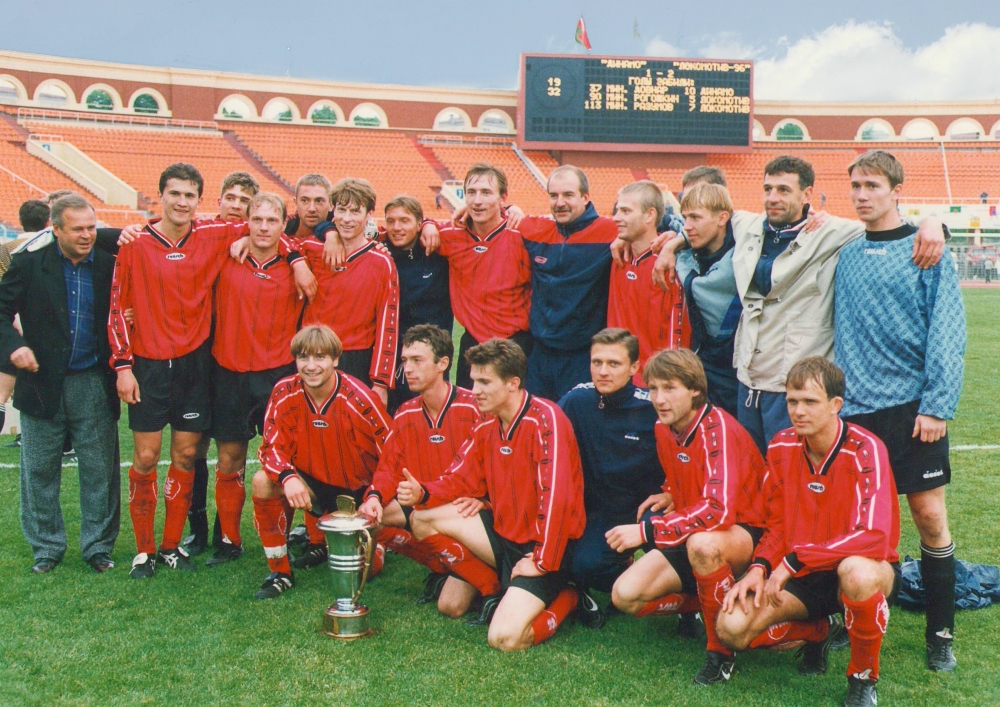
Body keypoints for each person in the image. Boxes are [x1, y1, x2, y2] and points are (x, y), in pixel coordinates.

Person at [652, 155, 946, 454]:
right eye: (768, 189)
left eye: (783, 190)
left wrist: (933, 224)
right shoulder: (747, 224)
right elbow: (701, 221)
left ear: (807, 195)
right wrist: (674, 244)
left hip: (795, 382)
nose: (773, 198)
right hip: (748, 377)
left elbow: (889, 226)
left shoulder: (831, 231)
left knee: (791, 468)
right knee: (751, 469)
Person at [109, 163, 308, 579]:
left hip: (226, 370)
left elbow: (286, 238)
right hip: (184, 367)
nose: (182, 202)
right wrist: (123, 364)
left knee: (205, 455)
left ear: (198, 200)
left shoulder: (222, 237)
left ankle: (186, 545)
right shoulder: (144, 242)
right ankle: (159, 549)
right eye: (175, 194)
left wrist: (297, 257)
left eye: (189, 195)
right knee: (161, 456)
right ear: (161, 196)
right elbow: (117, 303)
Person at [834, 150, 965, 672]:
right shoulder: (845, 252)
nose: (862, 195)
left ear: (895, 191)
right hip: (854, 412)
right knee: (855, 522)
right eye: (855, 186)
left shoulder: (926, 249)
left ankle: (940, 632)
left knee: (929, 517)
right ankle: (847, 617)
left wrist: (937, 406)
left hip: (913, 410)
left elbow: (947, 332)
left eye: (872, 185)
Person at [717, 357, 901, 707]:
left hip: (860, 570)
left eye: (810, 401)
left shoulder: (866, 448)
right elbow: (776, 523)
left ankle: (862, 678)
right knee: (731, 628)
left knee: (857, 572)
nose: (798, 411)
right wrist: (759, 567)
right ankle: (818, 631)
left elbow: (875, 536)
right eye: (792, 401)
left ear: (836, 404)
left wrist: (795, 559)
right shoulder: (781, 445)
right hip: (801, 575)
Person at [398, 339, 585, 651]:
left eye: (485, 382)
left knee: (505, 639)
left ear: (512, 383)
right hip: (503, 535)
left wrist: (543, 561)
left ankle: (570, 596)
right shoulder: (487, 421)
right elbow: (459, 476)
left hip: (544, 548)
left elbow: (558, 497)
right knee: (423, 520)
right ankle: (494, 587)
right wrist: (424, 491)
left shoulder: (545, 419)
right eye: (473, 381)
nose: (475, 390)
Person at [607, 349, 766, 685]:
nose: (659, 399)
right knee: (625, 596)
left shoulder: (717, 428)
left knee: (701, 545)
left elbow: (718, 509)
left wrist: (647, 532)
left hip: (747, 531)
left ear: (695, 389)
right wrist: (669, 491)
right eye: (653, 389)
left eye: (670, 388)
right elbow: (685, 471)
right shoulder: (664, 428)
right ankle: (704, 602)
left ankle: (720, 652)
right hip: (696, 529)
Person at [0, 195, 120, 573]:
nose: (87, 235)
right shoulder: (28, 264)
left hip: (93, 381)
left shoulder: (110, 265)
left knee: (100, 470)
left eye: (91, 228)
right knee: (39, 471)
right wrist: (15, 346)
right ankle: (47, 548)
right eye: (78, 229)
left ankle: (98, 547)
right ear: (55, 230)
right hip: (41, 382)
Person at [360, 324, 500, 615]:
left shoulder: (475, 407)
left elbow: (499, 467)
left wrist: (484, 499)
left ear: (443, 363)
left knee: (451, 606)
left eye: (417, 360)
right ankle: (443, 566)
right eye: (404, 360)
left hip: (466, 510)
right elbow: (388, 468)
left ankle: (490, 584)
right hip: (426, 504)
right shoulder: (405, 413)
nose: (408, 369)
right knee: (375, 518)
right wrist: (373, 497)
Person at [200, 192, 304, 567]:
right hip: (229, 372)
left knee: (282, 460)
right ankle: (229, 540)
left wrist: (296, 258)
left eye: (271, 220)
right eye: (256, 220)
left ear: (283, 224)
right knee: (230, 458)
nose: (263, 227)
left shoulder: (299, 261)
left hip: (277, 376)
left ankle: (282, 537)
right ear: (246, 222)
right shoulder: (226, 254)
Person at [251, 325, 392, 599]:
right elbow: (270, 447)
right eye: (303, 357)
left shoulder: (360, 398)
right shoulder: (284, 391)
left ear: (335, 359)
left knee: (362, 572)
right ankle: (280, 572)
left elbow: (392, 454)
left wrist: (376, 495)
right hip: (314, 487)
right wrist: (288, 478)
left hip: (359, 495)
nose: (311, 366)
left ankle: (379, 542)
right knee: (262, 482)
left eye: (320, 357)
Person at [557, 328, 665, 628]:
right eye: (597, 362)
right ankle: (626, 578)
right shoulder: (576, 401)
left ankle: (687, 603)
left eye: (614, 364)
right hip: (602, 512)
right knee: (584, 565)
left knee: (674, 549)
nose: (603, 371)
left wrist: (672, 492)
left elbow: (687, 453)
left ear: (634, 367)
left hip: (649, 507)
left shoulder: (652, 407)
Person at [185, 170, 261, 557]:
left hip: (234, 357)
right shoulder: (199, 232)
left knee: (232, 448)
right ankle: (196, 529)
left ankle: (225, 533)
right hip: (196, 355)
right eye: (230, 197)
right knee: (193, 445)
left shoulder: (258, 240)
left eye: (245, 201)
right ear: (218, 201)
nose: (236, 205)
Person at [517, 165, 620, 400]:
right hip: (540, 354)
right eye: (553, 195)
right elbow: (491, 215)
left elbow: (657, 226)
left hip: (582, 355)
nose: (560, 202)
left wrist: (671, 243)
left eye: (568, 195)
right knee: (536, 418)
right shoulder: (536, 230)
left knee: (574, 420)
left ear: (585, 197)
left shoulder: (610, 232)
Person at [432, 164, 533, 390]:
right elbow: (401, 230)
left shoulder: (523, 235)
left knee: (514, 407)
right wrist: (428, 224)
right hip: (472, 342)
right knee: (470, 407)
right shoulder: (449, 236)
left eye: (486, 193)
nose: (477, 201)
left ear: (503, 197)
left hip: (517, 342)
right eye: (471, 192)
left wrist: (513, 210)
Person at [302, 178, 399, 408]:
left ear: (369, 214)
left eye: (355, 211)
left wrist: (381, 383)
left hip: (356, 360)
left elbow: (388, 324)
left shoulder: (381, 262)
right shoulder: (310, 249)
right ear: (332, 211)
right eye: (342, 210)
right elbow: (279, 240)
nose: (347, 219)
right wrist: (297, 262)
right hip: (311, 355)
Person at [607, 180, 690, 384]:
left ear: (650, 215)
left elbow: (677, 338)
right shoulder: (618, 256)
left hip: (653, 384)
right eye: (617, 210)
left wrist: (665, 382)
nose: (616, 217)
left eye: (626, 211)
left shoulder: (669, 265)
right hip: (616, 380)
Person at [380, 196, 453, 413]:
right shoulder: (380, 252)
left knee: (431, 415)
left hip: (433, 354)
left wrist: (431, 224)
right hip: (392, 355)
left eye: (404, 220)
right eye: (391, 221)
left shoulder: (438, 251)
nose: (397, 227)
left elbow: (464, 226)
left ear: (419, 223)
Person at [675, 183, 742, 416]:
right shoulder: (691, 253)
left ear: (722, 218)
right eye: (685, 218)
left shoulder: (744, 255)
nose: (687, 226)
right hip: (705, 369)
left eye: (695, 217)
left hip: (737, 376)